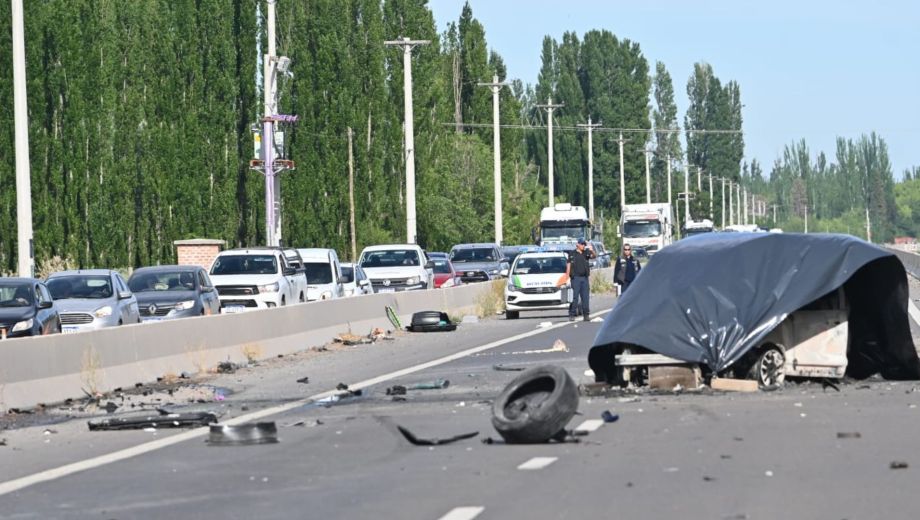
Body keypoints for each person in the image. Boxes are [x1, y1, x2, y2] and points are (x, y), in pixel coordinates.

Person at [565, 238, 595, 321]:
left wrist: (592, 250)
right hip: (575, 278)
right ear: (577, 244)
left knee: (585, 297)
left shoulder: (586, 253)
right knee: (574, 297)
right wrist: (567, 278)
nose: (583, 246)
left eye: (584, 244)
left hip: (584, 278)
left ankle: (586, 314)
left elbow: (593, 256)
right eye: (582, 244)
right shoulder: (572, 254)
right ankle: (572, 314)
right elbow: (568, 266)